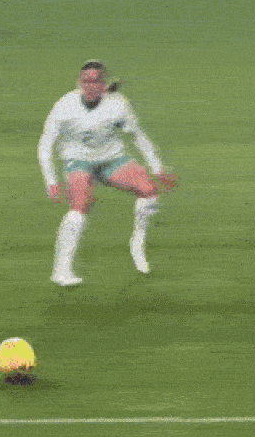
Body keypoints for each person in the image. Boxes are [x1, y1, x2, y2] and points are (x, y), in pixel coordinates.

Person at [37, 61, 177, 286]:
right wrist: (51, 181)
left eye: (95, 81)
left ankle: (137, 243)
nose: (90, 86)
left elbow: (138, 137)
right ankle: (61, 270)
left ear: (104, 84)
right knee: (80, 205)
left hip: (113, 159)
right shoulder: (65, 105)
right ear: (79, 83)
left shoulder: (118, 105)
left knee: (150, 191)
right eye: (86, 81)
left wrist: (157, 167)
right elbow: (45, 144)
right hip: (79, 160)